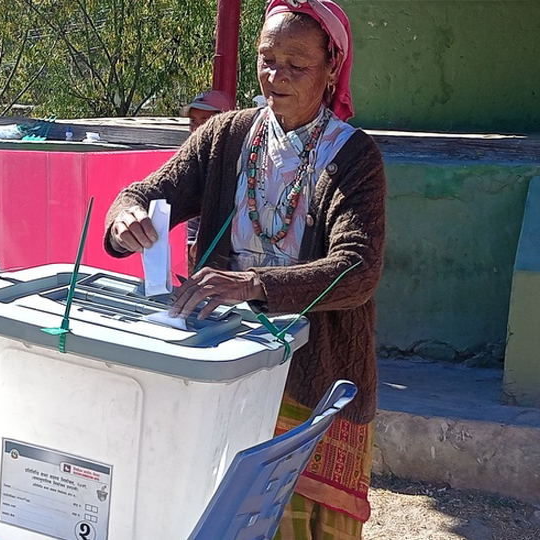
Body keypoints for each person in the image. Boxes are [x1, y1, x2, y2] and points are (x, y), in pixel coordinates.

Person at [104, 1, 385, 539]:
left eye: (295, 65)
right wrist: (127, 216)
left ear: (332, 70)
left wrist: (251, 285)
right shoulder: (227, 136)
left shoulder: (354, 158)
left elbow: (358, 269)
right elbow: (146, 192)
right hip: (221, 359)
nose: (275, 77)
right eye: (266, 59)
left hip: (310, 367)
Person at [180, 89, 234, 271]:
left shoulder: (237, 161)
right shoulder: (191, 162)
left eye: (205, 121)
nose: (196, 128)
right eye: (193, 121)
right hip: (196, 257)